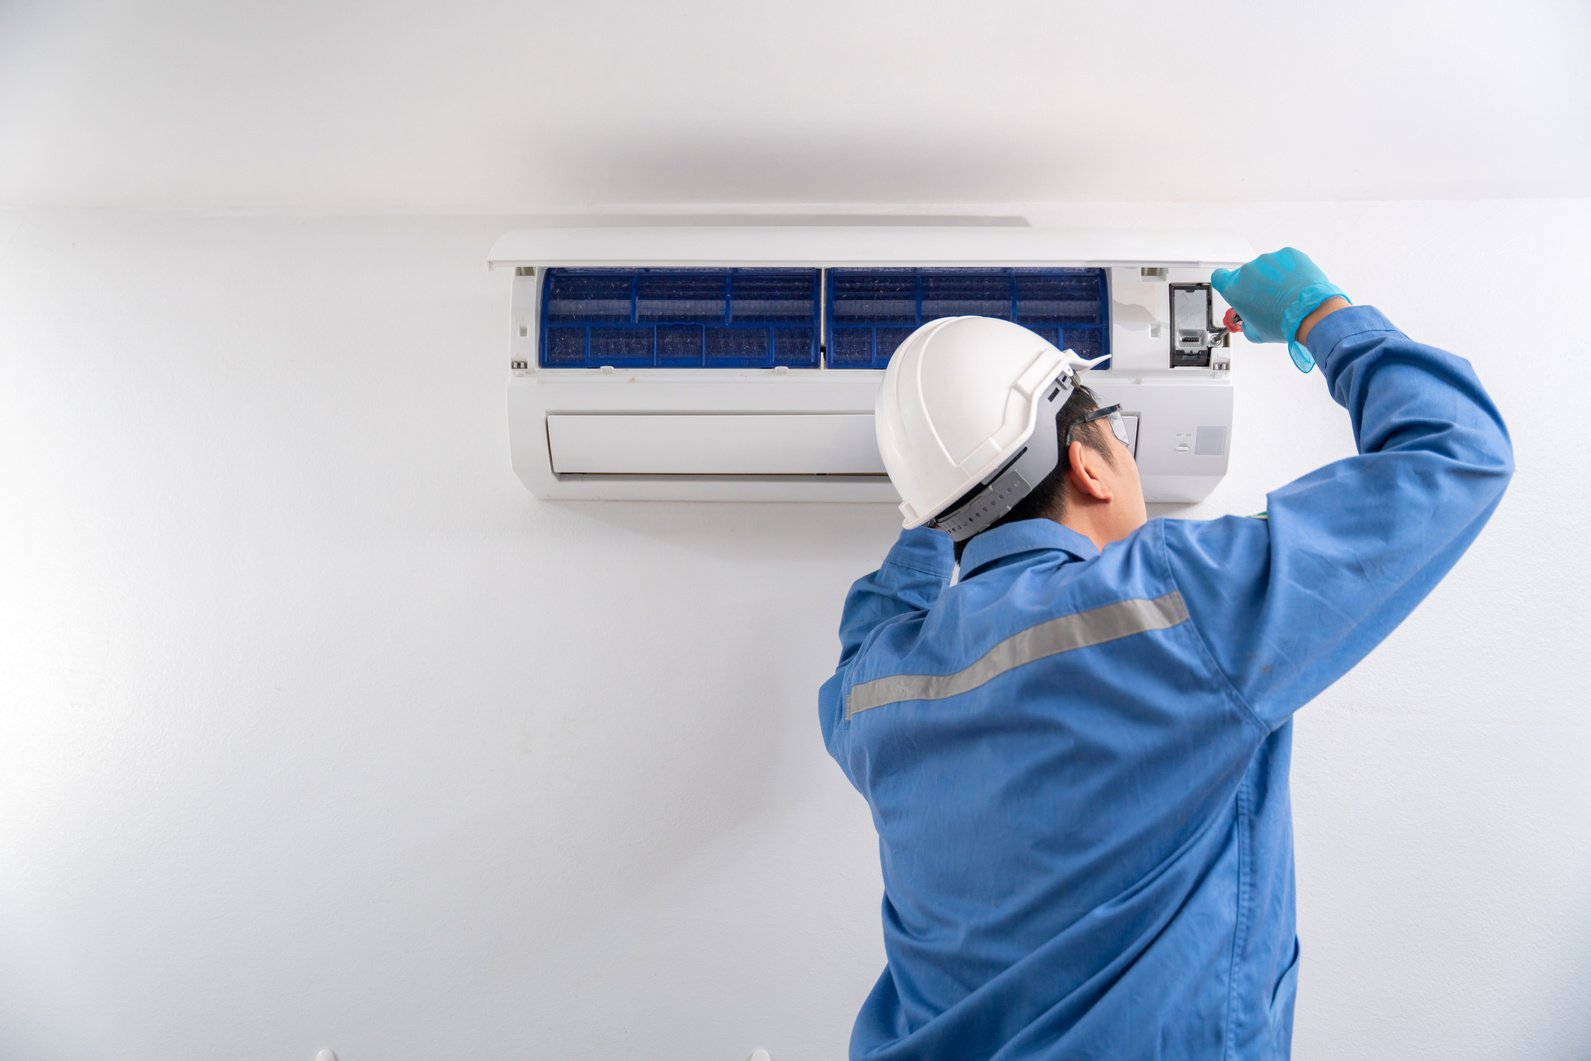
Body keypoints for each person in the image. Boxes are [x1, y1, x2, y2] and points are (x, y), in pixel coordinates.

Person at [817, 249, 1513, 1060]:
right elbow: (1454, 455)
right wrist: (1316, 314)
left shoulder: (874, 691)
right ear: (1087, 465)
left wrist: (943, 496)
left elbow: (875, 616)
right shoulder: (1178, 601)